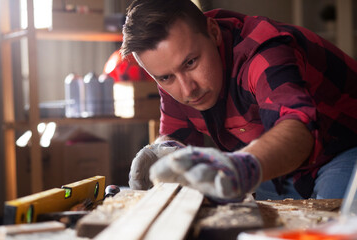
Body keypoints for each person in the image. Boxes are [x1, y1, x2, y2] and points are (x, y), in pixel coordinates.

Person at [121, 0, 357, 202]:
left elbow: (299, 127)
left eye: (191, 63)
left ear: (213, 32)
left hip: (342, 147)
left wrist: (241, 167)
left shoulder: (262, 52)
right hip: (279, 168)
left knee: (336, 228)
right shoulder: (175, 72)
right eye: (165, 77)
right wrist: (164, 149)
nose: (187, 90)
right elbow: (179, 137)